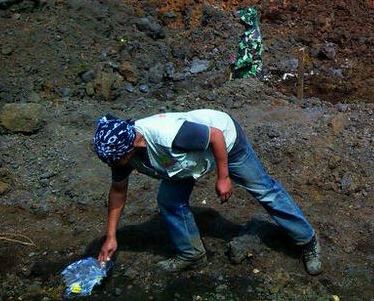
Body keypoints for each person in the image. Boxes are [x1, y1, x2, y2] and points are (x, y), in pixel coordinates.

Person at [93, 110, 321, 275]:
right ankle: (192, 253)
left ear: (130, 146)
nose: (112, 167)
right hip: (183, 163)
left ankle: (307, 241)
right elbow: (118, 191)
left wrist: (223, 177)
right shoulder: (122, 154)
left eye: (114, 161)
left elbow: (215, 136)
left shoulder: (169, 134)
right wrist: (111, 236)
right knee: (169, 201)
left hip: (225, 142)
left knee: (264, 190)